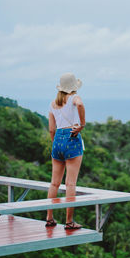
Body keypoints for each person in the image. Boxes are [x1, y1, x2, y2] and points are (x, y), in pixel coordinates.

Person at [45, 72, 86, 229]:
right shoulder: (74, 98)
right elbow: (80, 104)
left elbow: (50, 129)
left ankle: (49, 218)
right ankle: (69, 222)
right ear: (73, 87)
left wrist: (56, 143)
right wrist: (81, 125)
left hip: (57, 139)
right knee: (70, 184)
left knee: (54, 183)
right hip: (71, 136)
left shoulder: (53, 104)